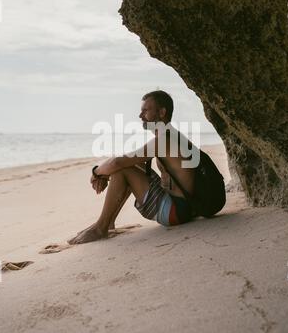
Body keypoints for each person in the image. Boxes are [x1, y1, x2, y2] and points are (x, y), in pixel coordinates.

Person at [68, 91, 197, 245]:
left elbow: (117, 163)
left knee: (123, 168)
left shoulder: (163, 141)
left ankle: (100, 228)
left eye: (145, 111)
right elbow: (124, 160)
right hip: (187, 207)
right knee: (129, 164)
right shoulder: (171, 135)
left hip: (176, 212)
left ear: (162, 112)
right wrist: (104, 173)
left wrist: (96, 172)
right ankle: (108, 223)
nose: (140, 115)